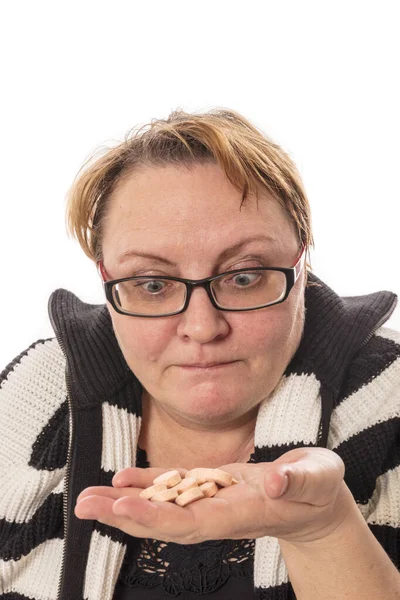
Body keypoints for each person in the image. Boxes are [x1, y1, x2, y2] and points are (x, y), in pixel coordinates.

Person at [0, 108, 399, 600]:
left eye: (244, 277)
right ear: (107, 282)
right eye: (152, 284)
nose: (203, 327)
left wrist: (324, 529)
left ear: (301, 267)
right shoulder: (30, 396)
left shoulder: (391, 397)